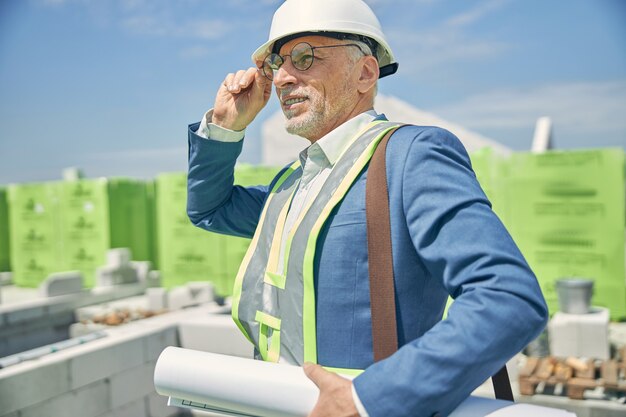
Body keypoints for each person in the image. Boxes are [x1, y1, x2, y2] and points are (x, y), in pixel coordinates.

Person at [187, 0, 548, 416]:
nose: (283, 78)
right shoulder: (292, 182)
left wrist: (368, 398)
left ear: (365, 73)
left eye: (304, 57)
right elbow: (210, 209)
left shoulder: (411, 156)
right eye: (276, 63)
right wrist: (225, 127)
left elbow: (507, 296)